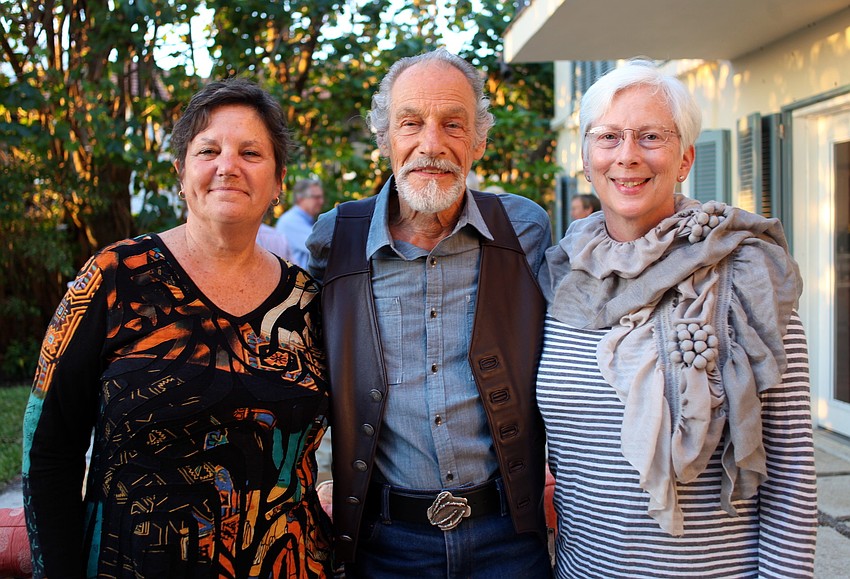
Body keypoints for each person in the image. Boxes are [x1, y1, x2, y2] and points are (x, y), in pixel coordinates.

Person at [22, 78, 332, 577]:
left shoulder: (309, 301)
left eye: (251, 153)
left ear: (278, 182)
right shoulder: (114, 277)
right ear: (181, 173)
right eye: (208, 150)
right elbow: (48, 448)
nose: (227, 166)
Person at [536, 59, 818, 577]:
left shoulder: (744, 276)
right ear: (586, 159)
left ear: (685, 158)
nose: (627, 155)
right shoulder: (558, 279)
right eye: (608, 137)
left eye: (650, 136)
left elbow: (790, 471)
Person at [307, 48, 553, 578]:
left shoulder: (523, 230)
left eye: (453, 124)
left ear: (478, 141)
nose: (432, 144)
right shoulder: (336, 240)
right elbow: (310, 373)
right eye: (411, 122)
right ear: (385, 138)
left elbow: (566, 353)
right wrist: (323, 475)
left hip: (510, 539)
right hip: (385, 545)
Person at [276, 178, 325, 268]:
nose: (321, 201)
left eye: (321, 197)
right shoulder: (291, 221)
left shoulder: (303, 220)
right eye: (316, 197)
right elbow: (322, 246)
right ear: (300, 198)